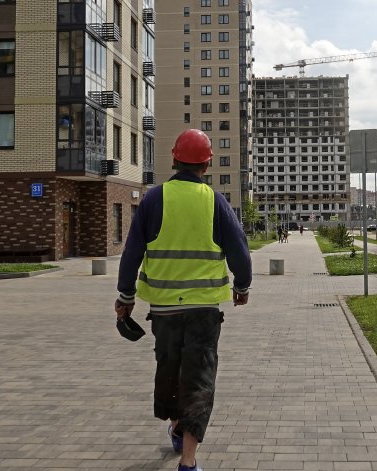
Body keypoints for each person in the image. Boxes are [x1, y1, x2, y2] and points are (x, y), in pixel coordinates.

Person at [115, 129, 252, 471]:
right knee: (199, 378)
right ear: (207, 165)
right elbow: (239, 250)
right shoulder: (215, 201)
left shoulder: (153, 198)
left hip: (164, 310)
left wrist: (125, 296)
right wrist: (242, 287)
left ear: (174, 160)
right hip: (204, 310)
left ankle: (176, 427)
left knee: (171, 369)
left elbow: (132, 252)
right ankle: (188, 460)